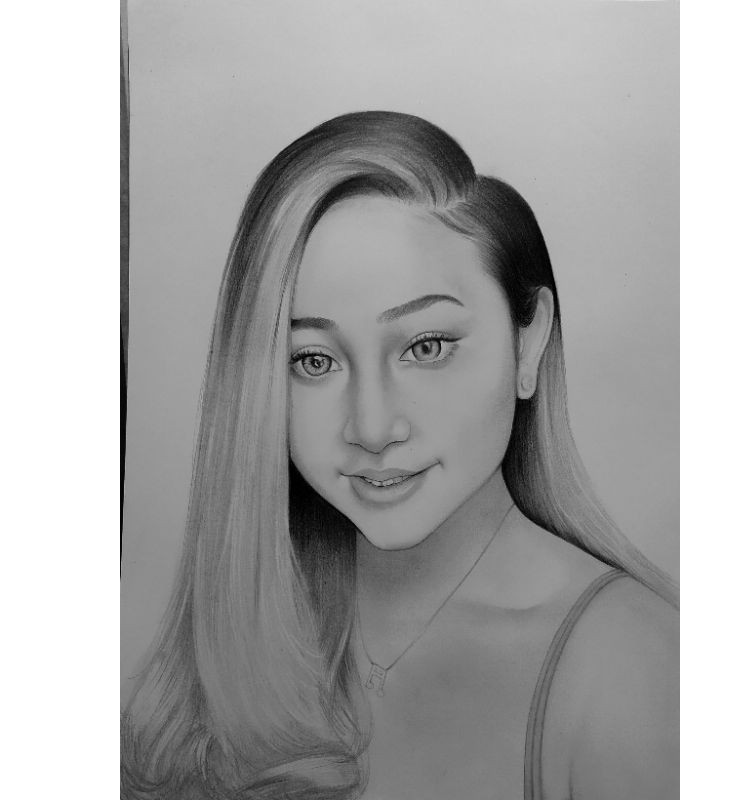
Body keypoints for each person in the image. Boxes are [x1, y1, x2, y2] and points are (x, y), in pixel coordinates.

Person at [122, 111, 678, 800]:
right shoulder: (221, 650)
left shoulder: (632, 671)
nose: (373, 427)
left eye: (426, 347)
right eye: (314, 360)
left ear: (529, 342)